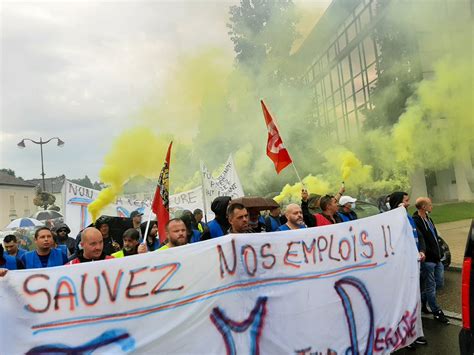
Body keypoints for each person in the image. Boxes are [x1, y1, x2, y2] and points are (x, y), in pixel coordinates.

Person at [388, 191, 428, 347]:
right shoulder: (393, 217)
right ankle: (404, 335)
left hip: (414, 265)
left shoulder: (409, 217)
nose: (408, 203)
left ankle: (415, 333)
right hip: (402, 268)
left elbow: (418, 236)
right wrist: (397, 213)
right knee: (404, 302)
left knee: (415, 300)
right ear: (398, 202)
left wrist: (422, 250)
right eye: (405, 201)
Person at [413, 197, 449, 324]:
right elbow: (421, 239)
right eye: (429, 204)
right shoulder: (416, 221)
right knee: (431, 286)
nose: (431, 206)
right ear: (423, 207)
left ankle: (422, 301)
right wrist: (427, 253)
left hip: (437, 258)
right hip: (428, 260)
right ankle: (437, 312)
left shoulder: (428, 219)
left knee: (439, 283)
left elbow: (434, 236)